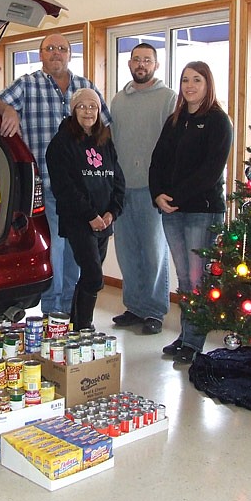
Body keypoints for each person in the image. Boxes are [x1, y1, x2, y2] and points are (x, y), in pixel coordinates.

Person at [0, 33, 111, 316]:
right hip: (47, 184)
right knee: (55, 247)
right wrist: (9, 109)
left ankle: (68, 305)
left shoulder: (85, 87)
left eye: (62, 49)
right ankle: (54, 307)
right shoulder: (28, 84)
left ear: (70, 54)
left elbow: (105, 129)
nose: (56, 53)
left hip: (82, 191)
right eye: (50, 48)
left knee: (75, 251)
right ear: (41, 54)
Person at [149, 61, 233, 363]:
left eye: (197, 80)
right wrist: (157, 193)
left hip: (202, 211)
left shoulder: (219, 121)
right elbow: (157, 160)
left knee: (198, 280)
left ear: (208, 84)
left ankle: (195, 343)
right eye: (185, 80)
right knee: (184, 278)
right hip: (171, 209)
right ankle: (185, 336)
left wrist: (175, 197)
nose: (189, 86)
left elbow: (210, 172)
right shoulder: (176, 120)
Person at [110, 43, 176, 335]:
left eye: (147, 60)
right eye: (136, 60)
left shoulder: (169, 98)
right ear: (129, 64)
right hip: (122, 188)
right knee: (127, 252)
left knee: (153, 253)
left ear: (156, 65)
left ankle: (154, 311)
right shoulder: (117, 101)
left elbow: (176, 145)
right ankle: (134, 307)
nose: (141, 65)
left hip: (153, 190)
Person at [46, 89, 125, 329]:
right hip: (79, 221)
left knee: (89, 276)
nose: (88, 111)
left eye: (93, 106)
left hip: (104, 222)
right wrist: (90, 215)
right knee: (93, 276)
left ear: (99, 111)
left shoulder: (105, 140)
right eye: (82, 106)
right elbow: (65, 188)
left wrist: (113, 211)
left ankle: (76, 326)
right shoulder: (60, 144)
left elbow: (117, 179)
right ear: (73, 110)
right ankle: (83, 326)